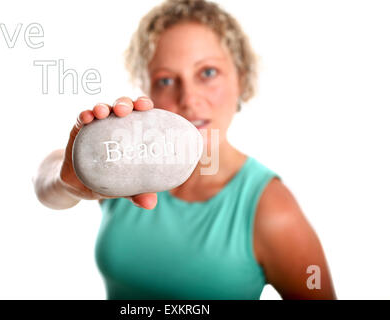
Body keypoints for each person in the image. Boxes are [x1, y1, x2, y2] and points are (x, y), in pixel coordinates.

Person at [33, 0, 336, 299]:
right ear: (147, 89)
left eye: (207, 73)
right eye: (166, 80)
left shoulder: (270, 209)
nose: (189, 99)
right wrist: (69, 183)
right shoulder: (124, 168)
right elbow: (46, 182)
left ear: (240, 78)